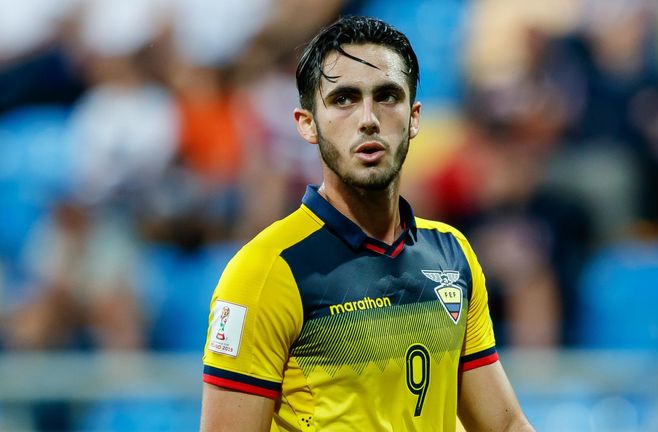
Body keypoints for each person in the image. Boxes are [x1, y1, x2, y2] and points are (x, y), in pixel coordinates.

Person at [200, 16, 535, 432]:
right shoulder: (266, 272)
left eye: (387, 96)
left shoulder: (452, 255)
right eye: (343, 99)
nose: (368, 118)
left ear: (414, 118)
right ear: (307, 124)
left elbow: (505, 427)